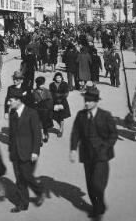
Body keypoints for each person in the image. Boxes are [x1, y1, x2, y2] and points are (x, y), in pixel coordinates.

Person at [69, 90, 118, 221]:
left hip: (102, 155)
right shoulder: (81, 115)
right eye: (85, 101)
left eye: (89, 101)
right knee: (90, 184)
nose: (86, 103)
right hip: (86, 154)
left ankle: (98, 206)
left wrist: (106, 146)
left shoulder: (105, 115)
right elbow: (76, 132)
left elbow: (113, 134)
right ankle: (98, 206)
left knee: (97, 183)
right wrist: (73, 149)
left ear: (96, 102)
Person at [7, 87, 45, 213]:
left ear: (18, 100)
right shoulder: (12, 113)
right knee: (19, 178)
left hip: (28, 151)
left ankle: (39, 191)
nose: (9, 103)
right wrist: (10, 150)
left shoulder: (31, 113)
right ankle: (22, 204)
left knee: (27, 176)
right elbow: (11, 133)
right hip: (15, 151)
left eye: (10, 100)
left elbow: (37, 134)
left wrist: (35, 151)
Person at [50, 72, 71, 138]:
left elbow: (66, 93)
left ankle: (61, 130)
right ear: (55, 78)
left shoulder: (65, 84)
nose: (58, 79)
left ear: (61, 78)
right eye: (57, 78)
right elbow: (51, 93)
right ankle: (61, 126)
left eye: (59, 77)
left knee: (61, 116)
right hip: (54, 102)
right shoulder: (52, 84)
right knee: (55, 116)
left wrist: (60, 97)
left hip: (62, 102)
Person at [33, 76, 53, 143]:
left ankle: (45, 133)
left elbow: (50, 100)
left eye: (43, 84)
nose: (42, 86)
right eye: (40, 84)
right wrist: (34, 103)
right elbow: (32, 101)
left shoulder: (47, 91)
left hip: (45, 111)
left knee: (45, 125)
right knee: (38, 125)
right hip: (37, 110)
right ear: (37, 84)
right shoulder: (34, 92)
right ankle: (40, 139)